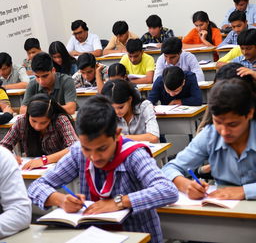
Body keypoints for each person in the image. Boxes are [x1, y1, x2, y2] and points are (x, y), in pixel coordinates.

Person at [28, 95, 178, 242]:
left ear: (117, 134)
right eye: (87, 149)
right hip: (94, 236)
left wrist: (119, 202)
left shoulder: (134, 155)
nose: (94, 157)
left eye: (102, 148)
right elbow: (36, 186)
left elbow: (167, 190)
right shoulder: (78, 152)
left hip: (137, 235)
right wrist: (60, 200)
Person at [162, 79, 256, 200]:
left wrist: (245, 191)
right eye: (218, 122)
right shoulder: (210, 135)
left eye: (232, 124)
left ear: (249, 114)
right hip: (224, 206)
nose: (224, 131)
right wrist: (186, 185)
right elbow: (169, 168)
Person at [0, 94, 78, 170]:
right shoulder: (21, 121)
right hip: (30, 171)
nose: (37, 126)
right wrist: (10, 156)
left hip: (60, 167)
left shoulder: (60, 120)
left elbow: (75, 148)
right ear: (28, 115)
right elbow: (3, 146)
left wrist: (44, 160)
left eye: (43, 122)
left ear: (51, 117)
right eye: (33, 121)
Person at [0, 146, 31, 238]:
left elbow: (20, 212)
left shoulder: (2, 156)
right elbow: (5, 143)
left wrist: (45, 160)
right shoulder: (19, 130)